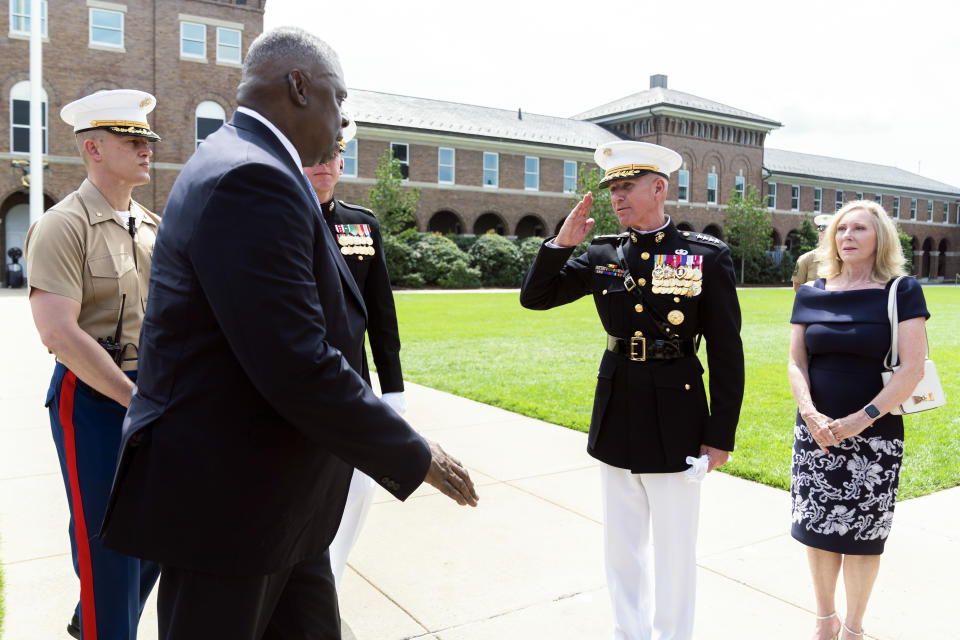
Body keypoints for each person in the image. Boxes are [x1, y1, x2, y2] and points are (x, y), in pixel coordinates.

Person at [99, 27, 477, 640]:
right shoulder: (251, 177)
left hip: (276, 508)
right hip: (230, 511)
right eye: (338, 98)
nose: (342, 119)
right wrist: (413, 453)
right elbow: (295, 361)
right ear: (299, 86)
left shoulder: (248, 161)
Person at [520, 141, 745, 640]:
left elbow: (727, 351)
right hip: (618, 405)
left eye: (626, 187)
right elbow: (535, 298)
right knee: (621, 546)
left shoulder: (703, 256)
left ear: (658, 187)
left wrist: (720, 436)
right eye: (612, 189)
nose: (616, 198)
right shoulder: (602, 253)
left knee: (674, 547)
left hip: (678, 413)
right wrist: (561, 245)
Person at [24, 89, 163, 640]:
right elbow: (58, 332)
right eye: (133, 140)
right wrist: (134, 399)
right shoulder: (63, 225)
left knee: (159, 531)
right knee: (106, 541)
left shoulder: (150, 225)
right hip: (92, 399)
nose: (146, 148)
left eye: (147, 139)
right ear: (94, 148)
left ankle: (96, 618)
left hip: (151, 391)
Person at [788, 200, 928, 640]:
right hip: (816, 432)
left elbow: (912, 368)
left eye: (859, 229)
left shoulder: (901, 291)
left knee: (864, 535)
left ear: (879, 238)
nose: (846, 235)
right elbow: (796, 362)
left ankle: (853, 628)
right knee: (817, 527)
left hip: (875, 435)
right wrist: (810, 413)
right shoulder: (812, 291)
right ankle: (824, 620)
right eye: (840, 228)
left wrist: (861, 419)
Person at [303, 122, 407, 590]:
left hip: (355, 381)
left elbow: (383, 315)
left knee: (359, 489)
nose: (324, 164)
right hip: (300, 381)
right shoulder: (280, 218)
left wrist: (395, 391)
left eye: (333, 155)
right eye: (314, 155)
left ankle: (331, 583)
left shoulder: (360, 224)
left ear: (342, 162)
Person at [793, 213, 833, 291]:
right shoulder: (805, 259)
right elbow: (797, 289)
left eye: (828, 232)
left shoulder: (843, 259)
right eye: (821, 231)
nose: (823, 235)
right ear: (818, 234)